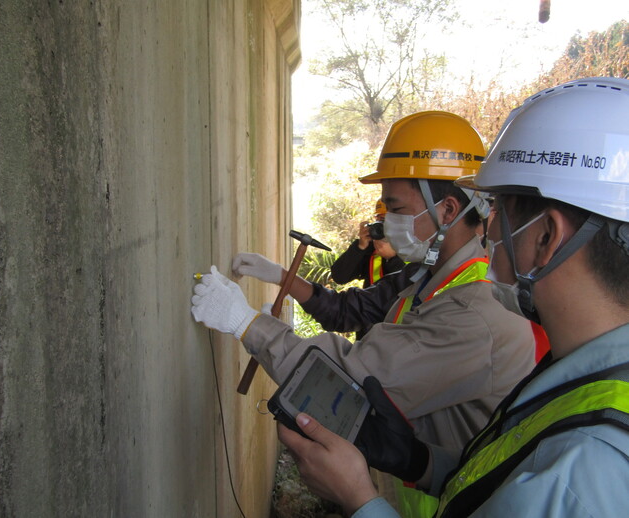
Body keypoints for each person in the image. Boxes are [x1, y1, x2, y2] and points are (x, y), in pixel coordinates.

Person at [277, 76, 629, 518]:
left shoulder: (581, 472)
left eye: (497, 209)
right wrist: (417, 459)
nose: (486, 225)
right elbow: (501, 480)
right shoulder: (578, 374)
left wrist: (359, 500)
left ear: (546, 236)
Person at [192, 111, 536, 461]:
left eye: (397, 208)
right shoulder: (429, 276)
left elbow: (348, 381)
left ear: (447, 210)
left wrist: (246, 323)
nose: (388, 223)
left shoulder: (474, 313)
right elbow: (351, 308)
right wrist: (282, 278)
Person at [330, 199, 404, 288]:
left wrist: (392, 258)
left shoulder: (416, 247)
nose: (385, 225)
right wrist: (360, 247)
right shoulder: (372, 247)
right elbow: (339, 277)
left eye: (389, 220)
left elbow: (410, 285)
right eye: (381, 219)